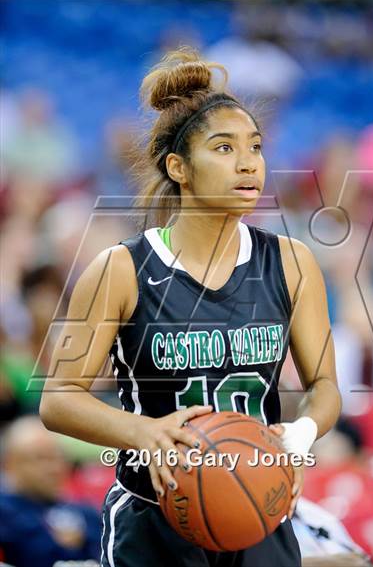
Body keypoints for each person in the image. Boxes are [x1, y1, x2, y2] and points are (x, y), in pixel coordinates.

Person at [40, 48, 341, 567]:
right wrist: (143, 432)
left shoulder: (292, 262)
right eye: (224, 148)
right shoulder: (120, 269)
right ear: (179, 167)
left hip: (257, 511)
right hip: (154, 516)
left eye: (256, 147)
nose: (248, 162)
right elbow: (58, 400)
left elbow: (325, 388)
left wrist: (300, 435)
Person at [0, 416, 101, 567]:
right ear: (10, 463)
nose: (54, 468)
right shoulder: (4, 514)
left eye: (58, 458)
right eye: (41, 459)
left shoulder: (86, 512)